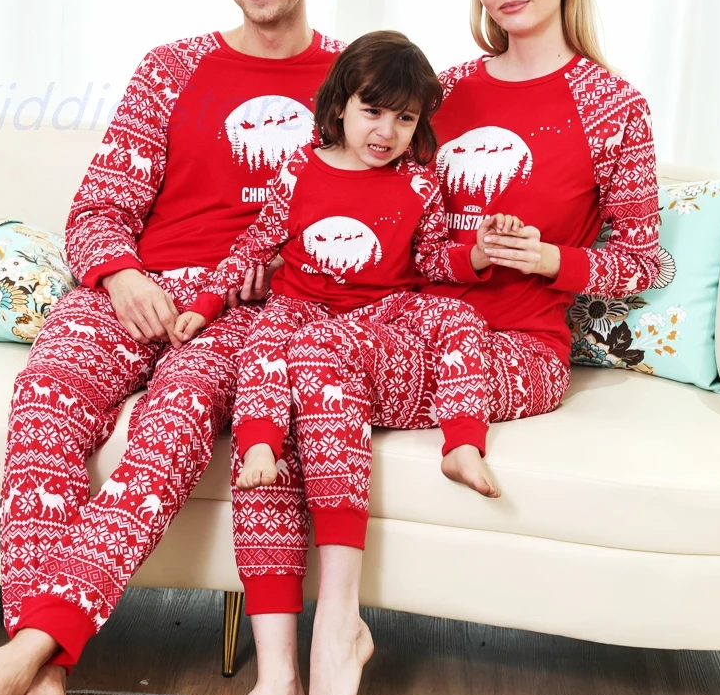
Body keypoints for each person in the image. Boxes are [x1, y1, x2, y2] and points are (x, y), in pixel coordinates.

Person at [191, 0, 662, 695]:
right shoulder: (444, 90)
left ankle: (336, 627)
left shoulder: (612, 107)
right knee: (292, 367)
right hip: (398, 322)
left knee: (307, 362)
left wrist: (549, 259)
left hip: (512, 348)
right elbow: (367, 200)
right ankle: (280, 676)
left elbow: (642, 260)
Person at [0, 0, 342, 695]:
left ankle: (21, 663)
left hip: (243, 312)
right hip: (131, 291)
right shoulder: (171, 67)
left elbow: (374, 220)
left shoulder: (354, 81)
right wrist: (119, 276)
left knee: (170, 427)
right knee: (45, 401)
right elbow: (97, 209)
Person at [172, 30, 523, 496]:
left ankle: (462, 443)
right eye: (373, 111)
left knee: (460, 317)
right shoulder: (300, 170)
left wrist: (479, 253)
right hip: (301, 305)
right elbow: (254, 245)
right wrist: (205, 304)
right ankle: (259, 444)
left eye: (404, 118)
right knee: (262, 343)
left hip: (386, 309)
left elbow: (431, 258)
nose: (387, 131)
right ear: (340, 105)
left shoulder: (418, 183)